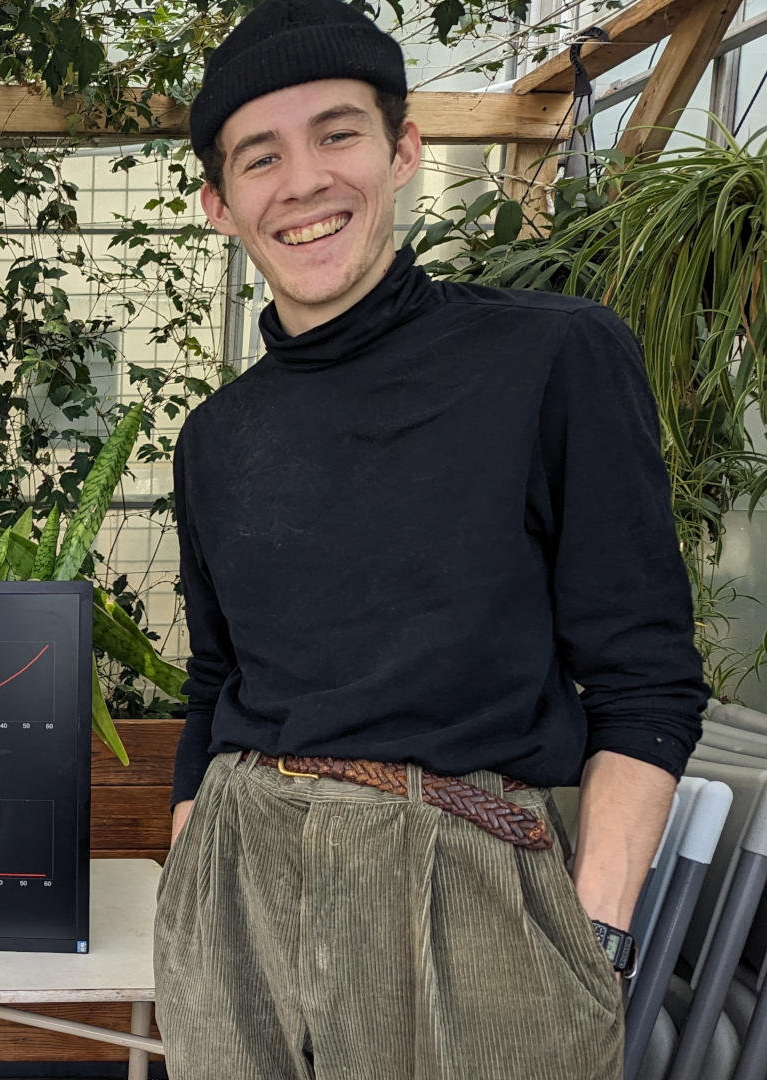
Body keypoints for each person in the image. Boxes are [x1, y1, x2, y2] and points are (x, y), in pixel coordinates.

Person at [152, 0, 709, 1075]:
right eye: (260, 158)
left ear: (403, 150)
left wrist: (589, 935)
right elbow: (217, 676)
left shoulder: (556, 360)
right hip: (241, 893)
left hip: (472, 892)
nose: (304, 181)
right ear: (221, 206)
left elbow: (645, 678)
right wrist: (189, 866)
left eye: (338, 134)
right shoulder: (215, 438)